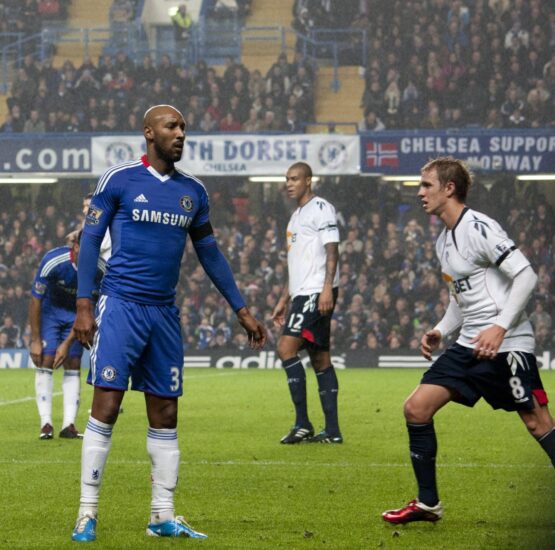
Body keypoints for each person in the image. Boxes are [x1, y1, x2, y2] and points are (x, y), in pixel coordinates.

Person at [70, 104, 266, 542]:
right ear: (148, 132)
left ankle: (162, 515)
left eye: (183, 127)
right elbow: (89, 242)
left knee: (166, 410)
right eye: (171, 126)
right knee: (107, 405)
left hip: (163, 313)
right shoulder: (118, 180)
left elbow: (209, 253)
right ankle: (87, 514)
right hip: (120, 306)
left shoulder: (192, 192)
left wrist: (241, 309)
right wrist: (85, 304)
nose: (180, 134)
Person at [382, 157, 555, 525]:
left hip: (507, 344)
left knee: (538, 424)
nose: (420, 192)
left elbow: (526, 276)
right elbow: (461, 301)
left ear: (449, 188)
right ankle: (428, 503)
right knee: (416, 408)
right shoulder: (444, 240)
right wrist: (441, 330)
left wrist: (501, 327)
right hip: (469, 346)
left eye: (427, 185)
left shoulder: (478, 226)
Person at [271, 162, 342, 444]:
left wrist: (327, 289)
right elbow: (298, 264)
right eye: (287, 179)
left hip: (316, 291)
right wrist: (283, 298)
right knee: (319, 357)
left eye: (295, 179)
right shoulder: (295, 217)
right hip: (302, 292)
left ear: (308, 181)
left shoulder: (321, 208)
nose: (289, 183)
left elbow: (332, 250)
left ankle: (302, 423)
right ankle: (333, 431)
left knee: (286, 348)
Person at [30, 231, 105, 440]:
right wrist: (35, 339)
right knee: (45, 359)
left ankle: (68, 425)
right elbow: (35, 300)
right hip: (51, 313)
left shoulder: (100, 270)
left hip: (77, 316)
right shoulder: (53, 261)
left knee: (72, 363)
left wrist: (67, 343)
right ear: (77, 247)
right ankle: (46, 423)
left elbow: (89, 309)